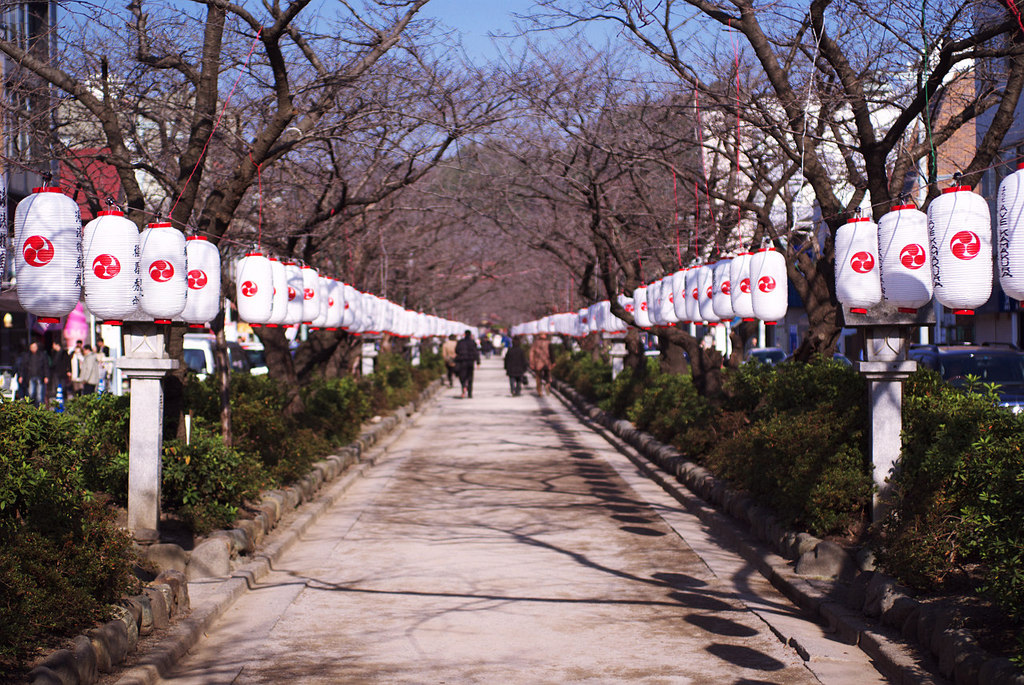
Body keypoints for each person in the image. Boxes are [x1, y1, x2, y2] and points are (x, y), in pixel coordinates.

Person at [17, 341, 49, 405]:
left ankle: (40, 408)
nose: (33, 348)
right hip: (30, 376)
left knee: (39, 394)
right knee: (31, 393)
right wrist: (21, 376)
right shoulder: (26, 356)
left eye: (34, 347)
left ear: (37, 347)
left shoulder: (42, 355)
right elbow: (22, 367)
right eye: (32, 347)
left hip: (40, 376)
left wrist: (46, 376)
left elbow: (46, 366)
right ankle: (32, 407)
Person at [454, 330, 480, 398]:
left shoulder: (460, 342)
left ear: (464, 334)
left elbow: (456, 350)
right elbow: (476, 352)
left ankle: (464, 387)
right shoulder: (472, 342)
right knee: (470, 377)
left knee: (462, 376)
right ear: (470, 335)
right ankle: (470, 393)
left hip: (462, 361)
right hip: (470, 362)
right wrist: (478, 362)